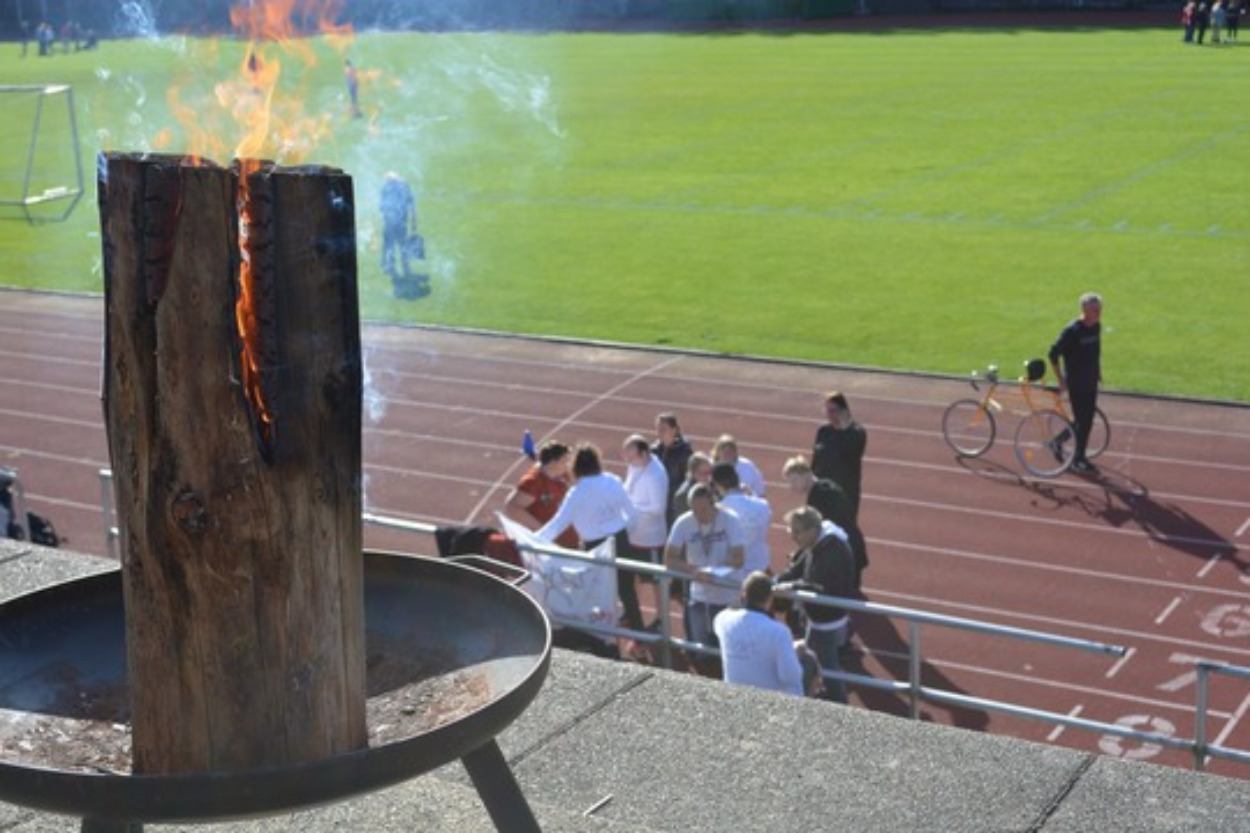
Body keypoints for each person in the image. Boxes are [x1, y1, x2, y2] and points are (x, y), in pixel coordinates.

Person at [775, 506, 857, 704]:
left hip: (828, 619)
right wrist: (774, 581)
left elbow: (821, 587)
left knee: (826, 666)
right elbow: (797, 569)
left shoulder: (832, 551)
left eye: (797, 532)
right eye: (791, 531)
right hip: (818, 617)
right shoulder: (816, 543)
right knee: (816, 661)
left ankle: (840, 705)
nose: (793, 537)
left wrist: (792, 586)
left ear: (812, 529)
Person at [664, 484, 745, 649]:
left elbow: (739, 558)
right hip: (699, 596)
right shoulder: (684, 522)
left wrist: (713, 571)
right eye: (694, 510)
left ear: (713, 503)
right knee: (701, 648)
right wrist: (693, 570)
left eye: (703, 509)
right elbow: (669, 559)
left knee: (728, 647)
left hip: (728, 596)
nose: (699, 515)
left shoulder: (731, 520)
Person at [782, 455, 867, 590]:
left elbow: (816, 532)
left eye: (793, 480)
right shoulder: (824, 488)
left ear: (805, 474)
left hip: (845, 549)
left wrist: (799, 557)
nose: (792, 487)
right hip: (849, 544)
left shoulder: (819, 495)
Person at [713, 572, 805, 697]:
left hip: (734, 696)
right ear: (770, 599)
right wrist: (794, 652)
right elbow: (791, 677)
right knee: (808, 661)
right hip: (768, 700)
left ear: (743, 595)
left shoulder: (723, 620)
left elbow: (731, 610)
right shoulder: (779, 632)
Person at [1048, 292, 1103, 475]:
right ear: (1085, 310)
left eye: (1099, 309)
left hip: (1090, 381)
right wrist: (1060, 380)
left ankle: (1059, 441)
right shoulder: (1072, 331)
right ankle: (1078, 459)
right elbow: (1053, 353)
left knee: (1086, 419)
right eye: (1095, 309)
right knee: (1083, 420)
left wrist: (1098, 372)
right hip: (1076, 382)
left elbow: (1096, 351)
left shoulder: (1096, 327)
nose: (1098, 312)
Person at [621, 434, 669, 632]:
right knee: (633, 577)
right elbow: (628, 488)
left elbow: (658, 508)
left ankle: (661, 619)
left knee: (656, 580)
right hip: (633, 534)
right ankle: (631, 611)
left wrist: (632, 510)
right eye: (627, 458)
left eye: (632, 457)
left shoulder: (656, 475)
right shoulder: (636, 465)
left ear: (644, 453)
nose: (629, 462)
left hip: (650, 539)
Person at [503, 440, 579, 551]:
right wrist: (543, 531)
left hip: (569, 539)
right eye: (565, 461)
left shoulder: (563, 474)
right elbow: (512, 507)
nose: (568, 465)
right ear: (553, 462)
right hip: (551, 546)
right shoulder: (533, 482)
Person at [811, 391, 867, 525]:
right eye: (827, 411)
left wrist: (844, 427)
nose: (830, 415)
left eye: (833, 411)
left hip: (845, 493)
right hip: (823, 491)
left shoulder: (856, 433)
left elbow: (854, 452)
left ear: (844, 411)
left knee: (845, 528)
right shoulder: (823, 431)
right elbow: (816, 459)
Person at [710, 462, 771, 576]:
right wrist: (752, 494)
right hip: (759, 569)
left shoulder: (719, 510)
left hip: (732, 572)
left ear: (717, 485)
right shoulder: (763, 505)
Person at [651, 412, 693, 528]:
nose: (660, 433)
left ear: (674, 430)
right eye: (658, 429)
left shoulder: (685, 452)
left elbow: (688, 480)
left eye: (664, 429)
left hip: (674, 505)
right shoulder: (653, 451)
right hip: (658, 502)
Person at [379, 171, 417, 285]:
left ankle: (391, 266)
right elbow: (411, 204)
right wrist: (414, 220)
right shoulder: (403, 188)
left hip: (394, 222)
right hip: (399, 222)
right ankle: (403, 267)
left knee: (391, 245)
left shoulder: (388, 189)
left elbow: (381, 207)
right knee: (399, 245)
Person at [671, 451, 713, 520]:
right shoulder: (683, 495)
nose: (709, 477)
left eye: (710, 472)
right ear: (694, 473)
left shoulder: (714, 488)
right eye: (705, 473)